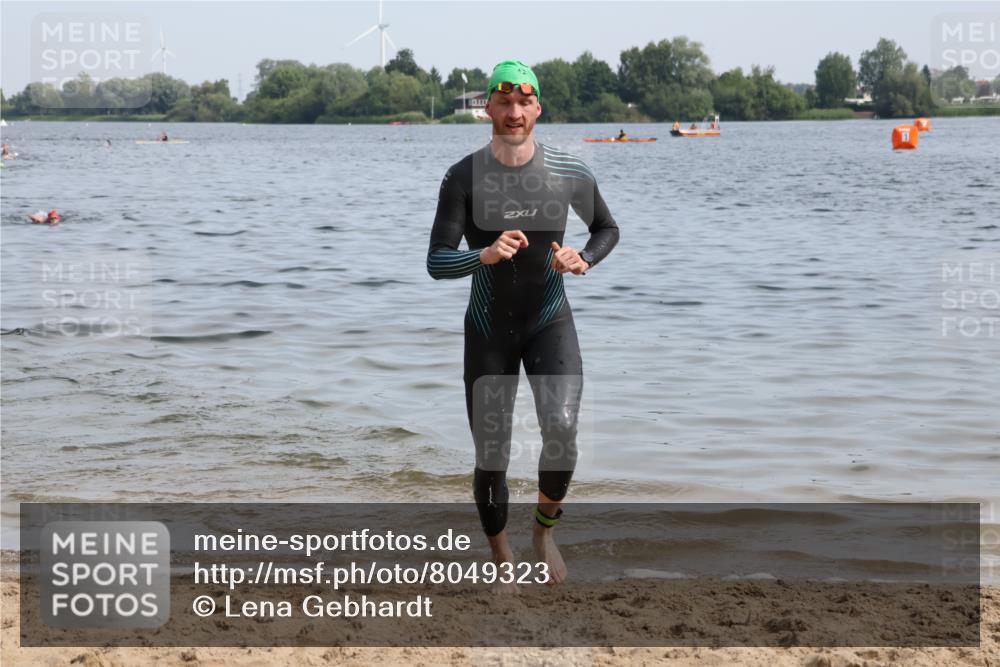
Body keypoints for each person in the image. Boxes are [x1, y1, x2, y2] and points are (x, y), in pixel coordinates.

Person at [427, 59, 619, 592]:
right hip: (489, 327)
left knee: (561, 432)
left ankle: (543, 534)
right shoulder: (462, 177)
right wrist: (482, 255)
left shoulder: (568, 172)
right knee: (492, 454)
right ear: (487, 106)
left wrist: (583, 258)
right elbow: (437, 260)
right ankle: (501, 554)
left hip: (549, 318)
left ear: (538, 107)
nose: (514, 113)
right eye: (503, 102)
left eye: (524, 102)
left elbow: (606, 228)